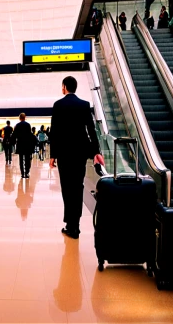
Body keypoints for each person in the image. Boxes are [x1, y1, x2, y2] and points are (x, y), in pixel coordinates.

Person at [49, 76, 104, 239]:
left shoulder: (58, 105)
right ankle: (76, 226)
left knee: (67, 188)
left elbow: (55, 132)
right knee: (78, 187)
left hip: (64, 154)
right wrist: (96, 151)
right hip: (80, 153)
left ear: (64, 87)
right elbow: (91, 130)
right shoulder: (84, 105)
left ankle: (69, 224)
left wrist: (53, 155)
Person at [11, 113, 34, 179]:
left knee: (21, 159)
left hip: (20, 144)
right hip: (27, 144)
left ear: (19, 118)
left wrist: (13, 142)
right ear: (25, 117)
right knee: (27, 158)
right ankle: (27, 172)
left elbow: (14, 135)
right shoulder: (28, 125)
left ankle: (22, 173)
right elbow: (30, 134)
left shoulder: (17, 125)